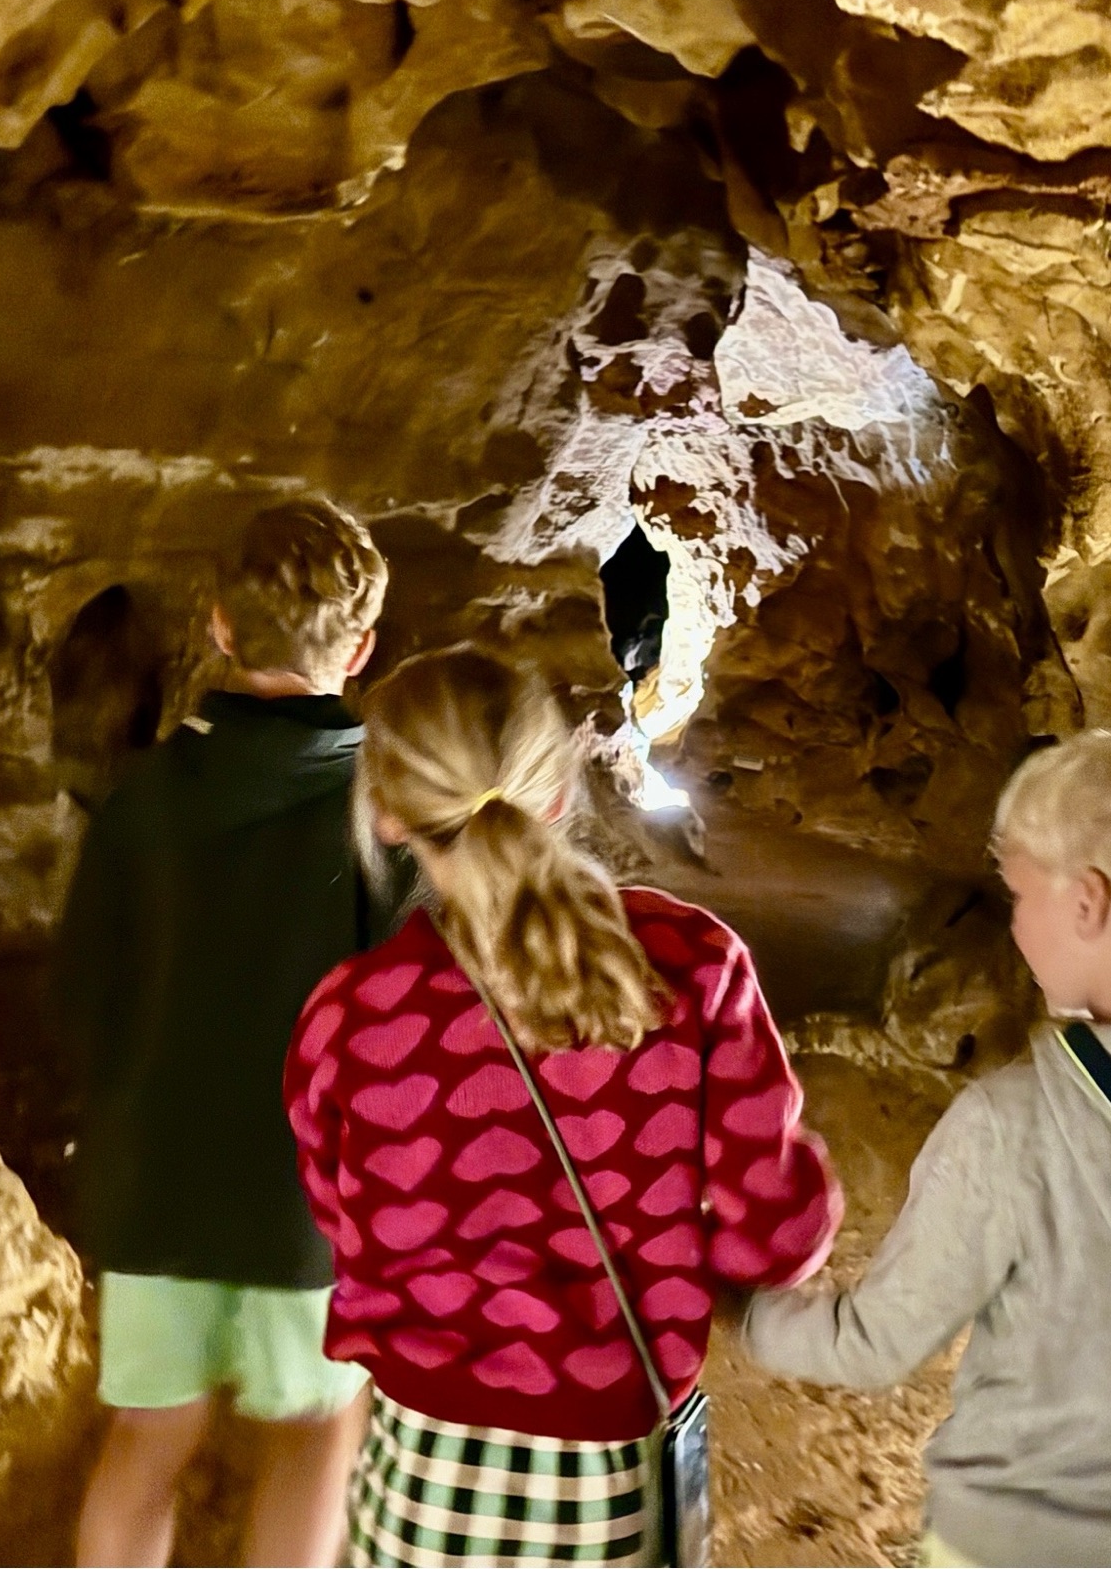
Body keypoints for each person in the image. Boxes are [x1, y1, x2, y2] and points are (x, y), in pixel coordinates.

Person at [284, 643, 841, 1565]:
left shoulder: (351, 1020)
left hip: (421, 1479)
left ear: (384, 815)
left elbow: (351, 1232)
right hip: (609, 1483)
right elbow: (770, 1235)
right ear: (557, 792)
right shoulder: (691, 963)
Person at [743, 731, 1111, 1569]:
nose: (1011, 920)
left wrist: (748, 1311)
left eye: (1017, 893)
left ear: (1087, 902)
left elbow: (873, 1343)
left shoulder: (1015, 1126)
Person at [58, 497, 399, 1568]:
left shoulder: (141, 798)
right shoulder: (384, 813)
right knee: (316, 1429)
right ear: (362, 647)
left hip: (153, 1185)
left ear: (217, 626)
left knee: (147, 1436)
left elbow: (79, 999)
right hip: (305, 1204)